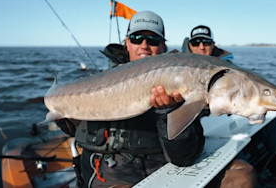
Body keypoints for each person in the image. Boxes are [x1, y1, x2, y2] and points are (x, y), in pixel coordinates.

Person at [74, 11, 205, 187]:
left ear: (163, 46)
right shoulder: (98, 85)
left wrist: (169, 112)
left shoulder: (181, 88)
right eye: (136, 38)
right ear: (126, 43)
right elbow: (75, 131)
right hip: (110, 174)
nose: (144, 45)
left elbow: (185, 157)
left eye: (153, 40)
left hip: (162, 172)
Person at [183, 25, 256, 188]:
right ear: (190, 46)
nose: (201, 47)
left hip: (224, 130)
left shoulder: (228, 68)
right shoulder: (181, 68)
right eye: (196, 42)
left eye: (206, 42)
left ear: (213, 44)